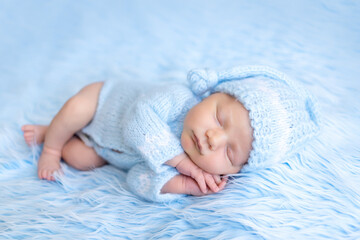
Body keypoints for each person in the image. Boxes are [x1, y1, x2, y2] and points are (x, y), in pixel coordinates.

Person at [21, 66, 320, 202]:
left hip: (103, 150)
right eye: (219, 117)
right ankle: (51, 141)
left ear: (236, 169)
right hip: (101, 101)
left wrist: (182, 185)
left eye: (229, 153)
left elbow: (136, 179)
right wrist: (181, 163)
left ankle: (59, 135)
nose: (213, 138)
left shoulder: (191, 166)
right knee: (75, 111)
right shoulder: (178, 98)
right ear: (211, 95)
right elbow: (138, 120)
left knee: (80, 158)